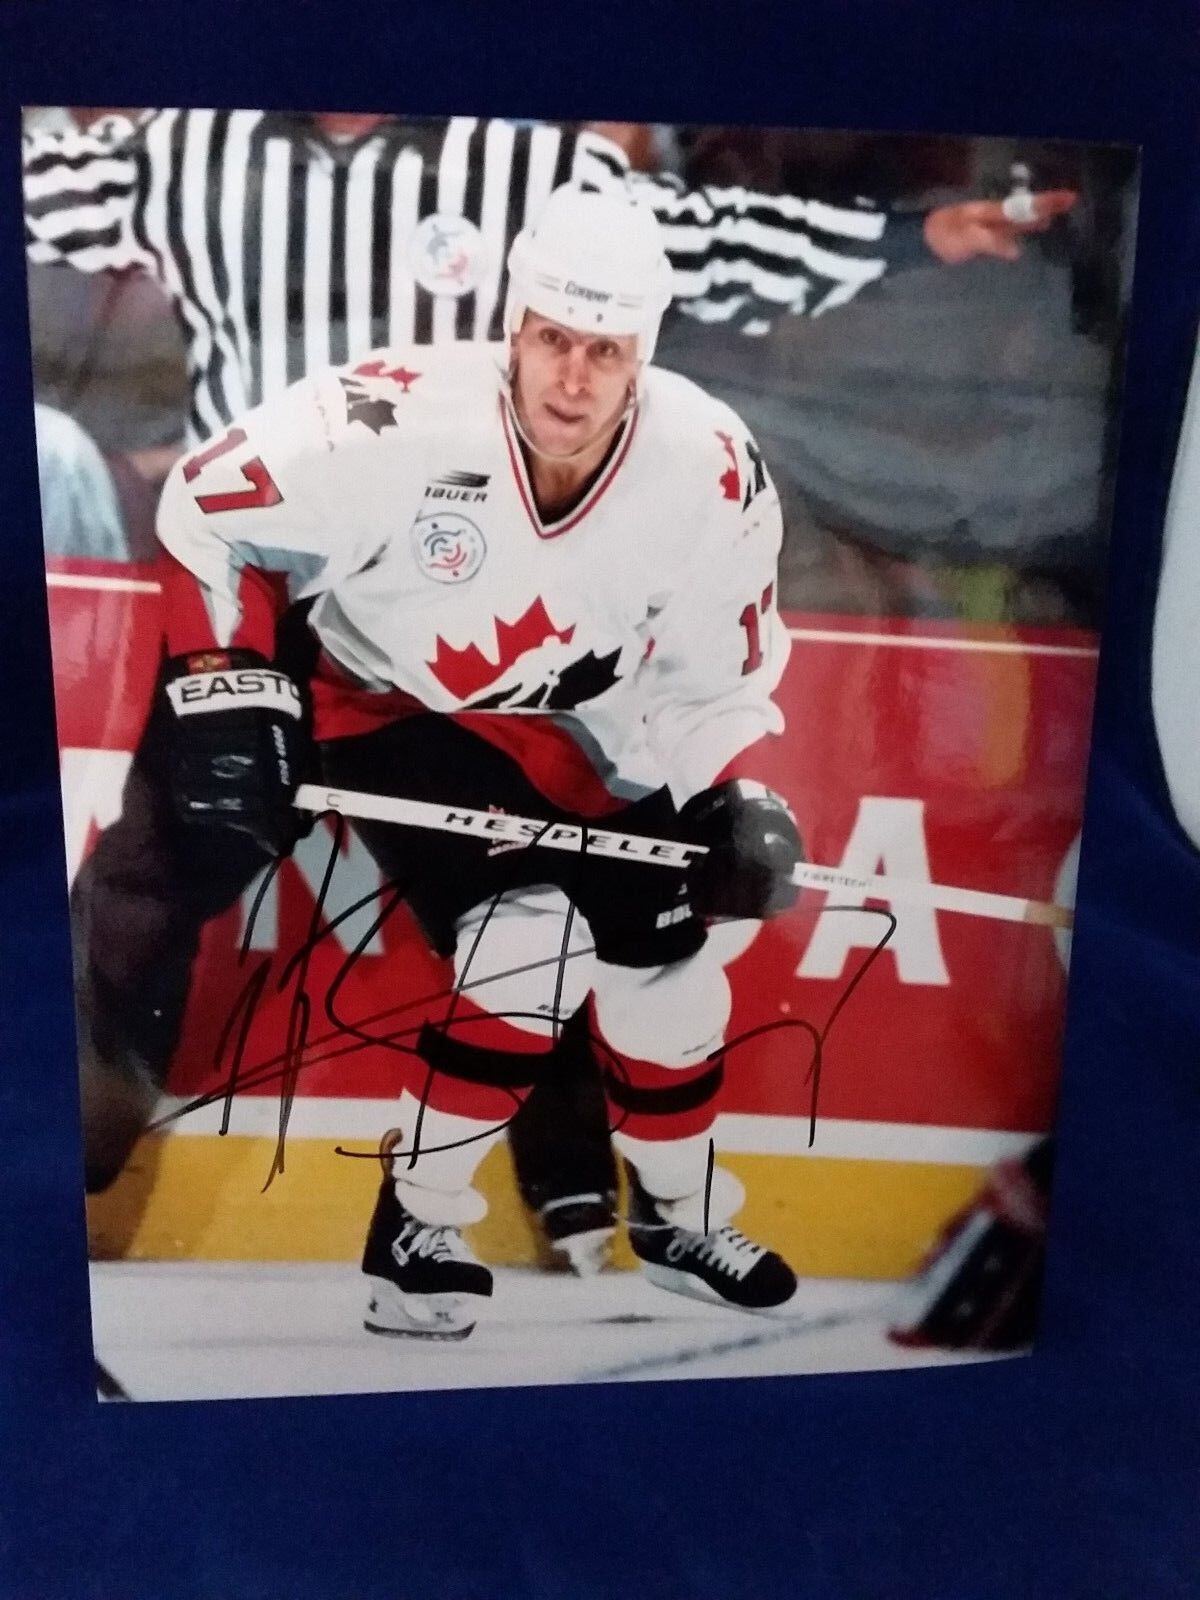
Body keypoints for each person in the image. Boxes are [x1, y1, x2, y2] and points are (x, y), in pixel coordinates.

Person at [25, 106, 1076, 1269]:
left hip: (470, 617)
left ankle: (568, 1196)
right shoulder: (189, 138)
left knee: (547, 886)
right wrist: (223, 671)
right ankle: (51, 1173)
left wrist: (910, 234)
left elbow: (711, 238)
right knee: (152, 867)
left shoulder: (525, 156)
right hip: (271, 604)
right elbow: (43, 186)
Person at [151, 185, 806, 1336]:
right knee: (531, 936)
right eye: (553, 336)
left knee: (671, 965)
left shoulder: (710, 464)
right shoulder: (389, 420)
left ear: (642, 350)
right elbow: (206, 507)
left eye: (605, 349)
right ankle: (418, 1225)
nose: (572, 377)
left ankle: (680, 1215)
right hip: (388, 704)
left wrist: (732, 793)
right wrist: (228, 688)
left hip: (581, 727)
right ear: (513, 324)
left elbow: (719, 674)